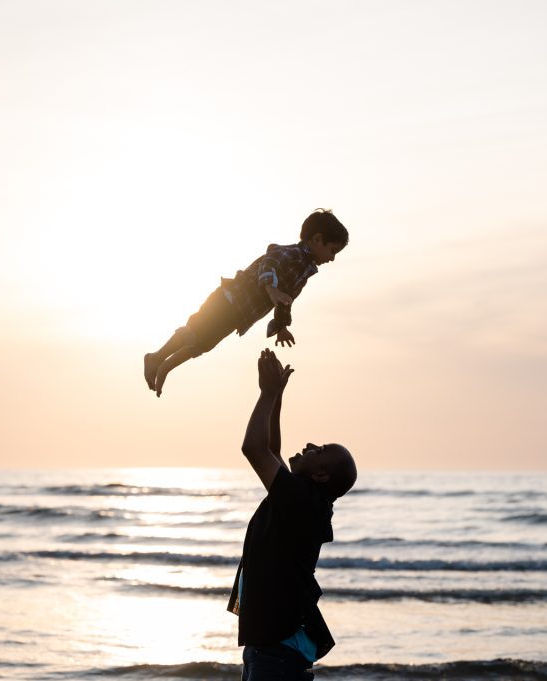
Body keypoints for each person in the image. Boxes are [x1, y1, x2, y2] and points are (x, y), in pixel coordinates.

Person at [229, 349, 357, 680]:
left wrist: (268, 394)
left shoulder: (301, 501)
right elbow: (271, 449)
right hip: (275, 644)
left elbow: (254, 449)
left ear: (321, 475)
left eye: (320, 451)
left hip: (278, 648)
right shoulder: (305, 500)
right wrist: (276, 397)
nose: (311, 444)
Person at [143, 209, 349, 396]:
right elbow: (268, 265)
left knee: (202, 345)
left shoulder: (305, 271)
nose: (332, 258)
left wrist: (282, 327)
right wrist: (271, 289)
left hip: (239, 315)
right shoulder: (289, 253)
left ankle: (165, 367)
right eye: (332, 250)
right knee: (193, 331)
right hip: (228, 299)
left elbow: (286, 301)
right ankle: (156, 357)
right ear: (317, 239)